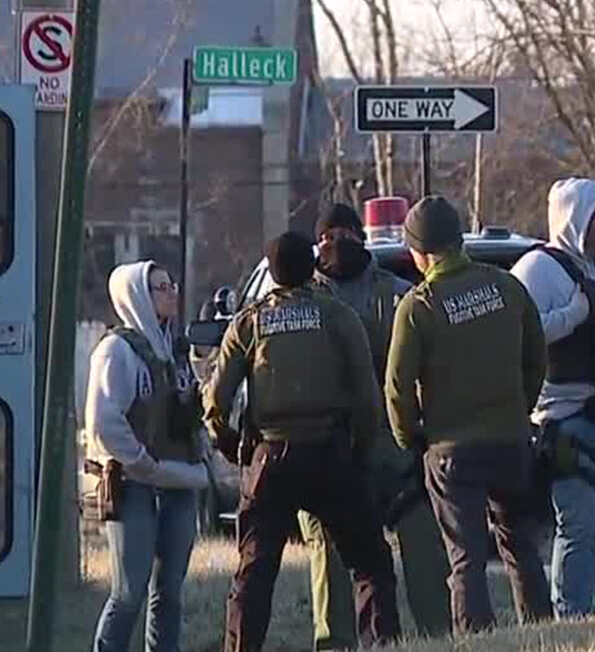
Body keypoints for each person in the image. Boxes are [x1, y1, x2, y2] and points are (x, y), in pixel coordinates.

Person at [203, 232, 401, 652]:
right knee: (371, 564)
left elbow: (216, 402)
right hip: (329, 454)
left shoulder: (250, 322)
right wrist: (361, 454)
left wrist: (235, 447)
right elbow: (367, 398)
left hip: (270, 459)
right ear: (311, 268)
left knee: (253, 574)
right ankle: (382, 644)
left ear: (272, 272)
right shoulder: (337, 315)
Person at [383, 195, 554, 634]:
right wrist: (521, 407)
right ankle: (541, 633)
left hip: (451, 450)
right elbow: (537, 356)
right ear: (460, 241)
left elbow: (397, 388)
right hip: (512, 442)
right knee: (521, 546)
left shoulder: (419, 306)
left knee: (466, 559)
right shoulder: (506, 286)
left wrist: (411, 438)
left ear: (418, 253)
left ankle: (477, 639)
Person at [298, 203, 450, 648]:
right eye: (327, 237)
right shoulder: (304, 300)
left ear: (361, 238)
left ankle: (436, 638)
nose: (336, 244)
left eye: (345, 233)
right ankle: (335, 643)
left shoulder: (401, 294)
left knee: (422, 545)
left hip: (396, 446)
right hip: (328, 446)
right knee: (327, 554)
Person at [510, 178, 595, 618]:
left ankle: (581, 610)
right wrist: (576, 313)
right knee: (577, 527)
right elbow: (523, 333)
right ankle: (570, 620)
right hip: (568, 421)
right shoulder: (537, 268)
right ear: (575, 218)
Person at [86, 261, 210, 652]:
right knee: (128, 593)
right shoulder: (116, 351)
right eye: (160, 287)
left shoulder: (177, 351)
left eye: (172, 284)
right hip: (134, 486)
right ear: (136, 295)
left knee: (169, 593)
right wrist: (143, 463)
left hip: (179, 486)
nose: (172, 292)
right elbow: (104, 421)